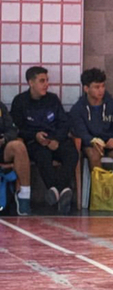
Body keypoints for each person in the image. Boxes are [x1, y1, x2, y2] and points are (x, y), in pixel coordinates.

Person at [11, 66, 78, 214]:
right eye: (42, 81)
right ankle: (62, 190)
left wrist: (57, 139)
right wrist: (34, 136)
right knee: (42, 155)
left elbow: (64, 122)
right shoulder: (20, 101)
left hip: (55, 140)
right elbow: (17, 128)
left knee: (71, 152)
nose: (46, 84)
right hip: (35, 142)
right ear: (31, 82)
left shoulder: (53, 99)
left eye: (47, 80)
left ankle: (56, 190)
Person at [69, 68, 113, 173]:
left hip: (112, 146)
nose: (101, 90)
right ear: (86, 88)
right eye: (97, 87)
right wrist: (92, 141)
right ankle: (98, 188)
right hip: (91, 146)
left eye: (103, 86)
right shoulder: (78, 109)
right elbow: (81, 132)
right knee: (94, 155)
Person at [0, 100, 31, 215]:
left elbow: (12, 130)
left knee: (18, 146)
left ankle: (24, 197)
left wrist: (4, 139)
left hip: (1, 148)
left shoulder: (0, 106)